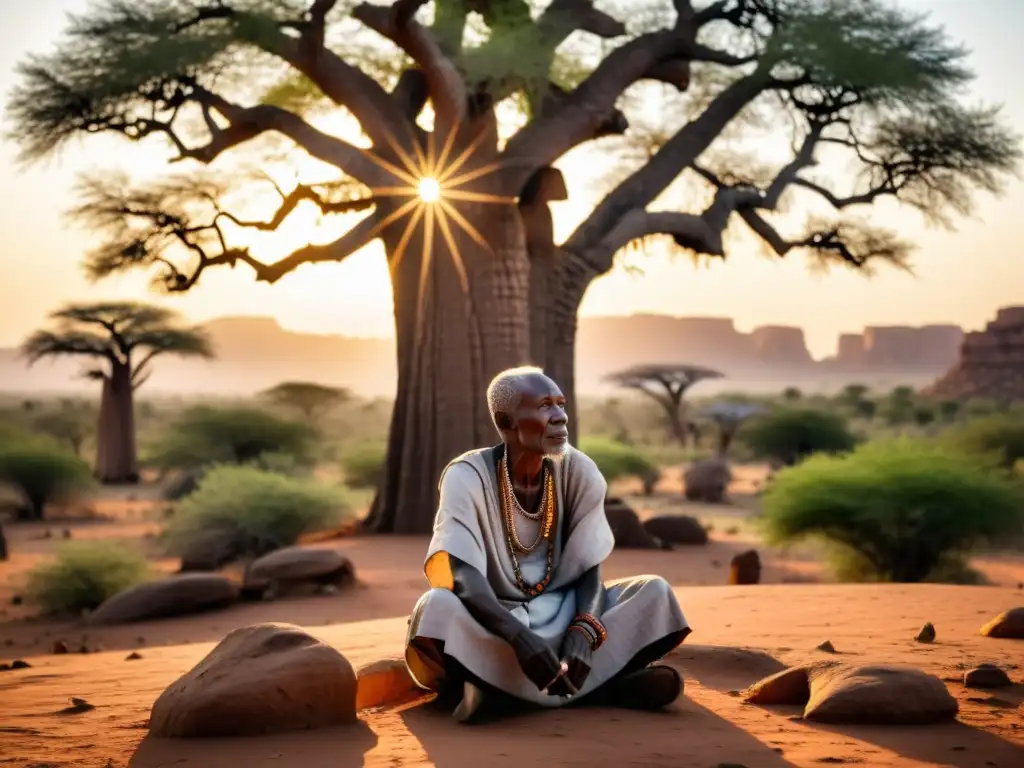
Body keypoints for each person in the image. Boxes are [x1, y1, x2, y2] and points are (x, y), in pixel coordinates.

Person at [404, 366, 692, 722]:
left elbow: (588, 569)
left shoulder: (579, 471)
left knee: (656, 593)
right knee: (435, 609)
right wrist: (520, 639)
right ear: (506, 421)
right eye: (544, 406)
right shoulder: (466, 475)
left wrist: (583, 632)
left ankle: (500, 695)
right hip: (493, 619)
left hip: (566, 610)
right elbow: (462, 576)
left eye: (561, 404)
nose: (560, 417)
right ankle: (608, 689)